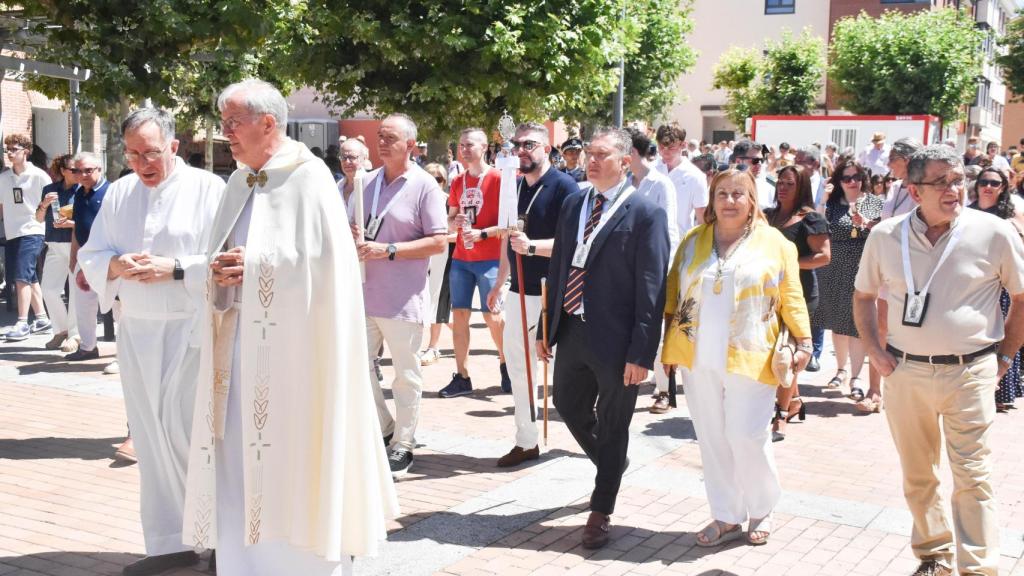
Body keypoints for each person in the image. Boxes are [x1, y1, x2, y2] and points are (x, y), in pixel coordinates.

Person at [182, 79, 399, 576]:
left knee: (294, 462)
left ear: (268, 123)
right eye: (223, 122)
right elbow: (222, 253)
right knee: (237, 463)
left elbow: (329, 266)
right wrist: (219, 269)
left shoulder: (309, 178)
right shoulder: (238, 181)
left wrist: (256, 266)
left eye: (233, 122)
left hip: (297, 357)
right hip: (237, 352)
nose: (225, 133)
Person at [853, 145, 1024, 576]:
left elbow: (1021, 298)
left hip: (971, 370)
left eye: (959, 180)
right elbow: (863, 296)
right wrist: (874, 351)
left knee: (973, 474)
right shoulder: (884, 234)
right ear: (914, 191)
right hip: (905, 371)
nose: (956, 190)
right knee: (918, 474)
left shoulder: (994, 232)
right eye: (942, 183)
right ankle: (934, 555)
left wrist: (1004, 354)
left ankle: (979, 567)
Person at [76, 108, 226, 576]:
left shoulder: (209, 190)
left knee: (188, 432)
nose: (143, 163)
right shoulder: (119, 192)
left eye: (152, 153)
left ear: (174, 147)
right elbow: (94, 254)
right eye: (134, 154)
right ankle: (170, 542)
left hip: (191, 326)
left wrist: (172, 267)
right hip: (137, 329)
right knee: (149, 434)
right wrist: (118, 266)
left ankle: (221, 540)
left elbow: (225, 258)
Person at [663, 168, 810, 548]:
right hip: (697, 356)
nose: (730, 201)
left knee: (745, 434)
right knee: (712, 437)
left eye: (738, 194)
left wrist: (804, 341)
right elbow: (673, 295)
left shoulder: (775, 243)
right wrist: (666, 346)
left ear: (751, 201)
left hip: (752, 352)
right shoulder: (693, 242)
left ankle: (762, 506)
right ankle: (727, 514)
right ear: (711, 201)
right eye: (722, 194)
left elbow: (792, 295)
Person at [537, 128, 669, 549]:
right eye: (588, 153)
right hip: (573, 326)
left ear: (625, 160)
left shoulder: (645, 212)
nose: (590, 160)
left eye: (601, 154)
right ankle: (612, 463)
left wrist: (642, 352)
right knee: (567, 405)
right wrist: (547, 325)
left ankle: (601, 507)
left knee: (614, 424)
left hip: (618, 340)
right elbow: (561, 263)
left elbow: (652, 287)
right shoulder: (575, 201)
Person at [357, 114, 449, 476]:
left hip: (402, 298)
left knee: (405, 376)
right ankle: (385, 428)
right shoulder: (366, 182)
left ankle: (404, 443)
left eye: (390, 137)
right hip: (364, 293)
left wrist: (389, 249)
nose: (381, 142)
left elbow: (439, 241)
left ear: (411, 145)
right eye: (379, 136)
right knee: (358, 369)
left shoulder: (425, 185)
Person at [488, 122, 579, 467]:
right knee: (517, 364)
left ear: (547, 148)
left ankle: (590, 428)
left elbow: (574, 245)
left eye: (529, 144)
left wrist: (533, 248)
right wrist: (501, 279)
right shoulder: (514, 188)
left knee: (565, 368)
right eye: (517, 145)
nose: (522, 150)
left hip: (552, 290)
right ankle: (526, 439)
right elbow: (508, 237)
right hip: (519, 289)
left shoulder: (565, 188)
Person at [439, 128, 508, 398]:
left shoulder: (500, 179)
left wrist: (483, 233)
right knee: (460, 316)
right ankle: (462, 375)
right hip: (462, 258)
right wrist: (453, 222)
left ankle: (506, 364)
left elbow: (509, 224)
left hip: (490, 258)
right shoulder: (457, 181)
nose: (464, 149)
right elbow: (451, 217)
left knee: (493, 316)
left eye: (469, 145)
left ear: (484, 147)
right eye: (461, 145)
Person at [764, 166, 829, 441]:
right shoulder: (767, 215)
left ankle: (780, 417)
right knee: (778, 352)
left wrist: (787, 265)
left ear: (800, 186)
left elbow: (823, 256)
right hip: (769, 296)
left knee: (788, 354)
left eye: (789, 183)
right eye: (780, 182)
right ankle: (795, 402)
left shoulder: (810, 219)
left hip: (800, 295)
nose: (782, 187)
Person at [815, 159, 882, 402]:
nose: (852, 182)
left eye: (856, 177)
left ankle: (856, 376)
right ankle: (840, 370)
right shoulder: (832, 204)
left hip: (862, 264)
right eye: (846, 178)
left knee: (857, 322)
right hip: (834, 266)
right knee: (837, 320)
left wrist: (866, 224)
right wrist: (822, 199)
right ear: (838, 182)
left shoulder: (874, 203)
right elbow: (817, 226)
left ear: (863, 178)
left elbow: (882, 232)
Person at [625, 128, 680, 414]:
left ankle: (663, 390)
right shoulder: (624, 183)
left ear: (632, 152)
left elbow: (668, 229)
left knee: (656, 331)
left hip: (654, 269)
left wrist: (661, 269)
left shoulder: (660, 184)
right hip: (626, 269)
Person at [968, 167, 1024, 412]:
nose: (988, 187)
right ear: (977, 185)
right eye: (984, 182)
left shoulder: (1011, 215)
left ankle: (1002, 390)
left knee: (1001, 336)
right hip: (972, 284)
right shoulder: (966, 213)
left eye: (994, 183)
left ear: (1003, 188)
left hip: (1000, 285)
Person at [0, 134, 52, 341]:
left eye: (14, 149)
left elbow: (51, 206)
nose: (10, 153)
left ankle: (22, 322)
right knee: (29, 276)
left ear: (26, 151)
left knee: (21, 276)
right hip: (13, 232)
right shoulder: (4, 178)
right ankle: (41, 318)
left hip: (34, 230)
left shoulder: (39, 176)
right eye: (8, 150)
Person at [66, 152, 110, 361]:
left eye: (88, 170)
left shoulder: (111, 193)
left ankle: (123, 355)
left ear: (99, 170)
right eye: (77, 171)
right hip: (84, 258)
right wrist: (73, 256)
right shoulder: (79, 194)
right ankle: (87, 347)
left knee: (119, 305)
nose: (82, 174)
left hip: (108, 258)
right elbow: (77, 227)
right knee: (83, 305)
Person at [36, 154, 79, 351]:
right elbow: (38, 218)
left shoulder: (83, 190)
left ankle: (75, 335)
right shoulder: (50, 189)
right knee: (49, 289)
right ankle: (61, 330)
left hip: (75, 245)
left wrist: (71, 224)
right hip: (54, 243)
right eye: (73, 169)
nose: (78, 173)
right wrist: (44, 204)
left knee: (76, 291)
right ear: (63, 171)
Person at [418, 163, 455, 367]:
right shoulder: (417, 200)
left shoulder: (450, 202)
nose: (434, 183)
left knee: (437, 301)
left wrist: (440, 239)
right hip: (420, 257)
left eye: (438, 179)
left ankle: (433, 347)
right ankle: (459, 330)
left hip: (443, 257)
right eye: (430, 178)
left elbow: (456, 233)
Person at [655, 124, 709, 239]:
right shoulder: (650, 170)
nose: (665, 152)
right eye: (661, 147)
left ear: (683, 145)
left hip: (679, 247)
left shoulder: (695, 176)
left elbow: (702, 219)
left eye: (671, 147)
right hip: (649, 242)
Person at [729, 140, 774, 210]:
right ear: (738, 161)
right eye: (755, 160)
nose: (759, 164)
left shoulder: (769, 189)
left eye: (761, 160)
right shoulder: (723, 187)